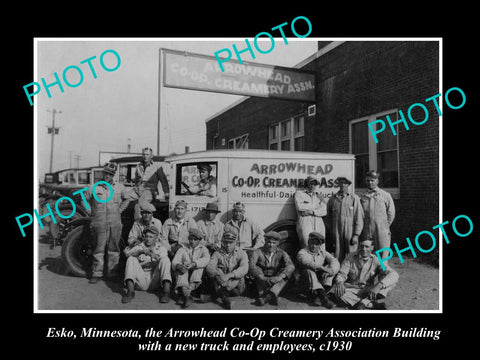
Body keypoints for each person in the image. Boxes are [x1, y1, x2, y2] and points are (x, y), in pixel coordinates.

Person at [88, 162, 130, 284]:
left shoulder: (120, 187)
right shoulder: (94, 187)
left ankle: (112, 272)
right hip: (99, 221)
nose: (108, 176)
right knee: (98, 248)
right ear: (103, 173)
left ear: (114, 175)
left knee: (114, 248)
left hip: (115, 221)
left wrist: (120, 210)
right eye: (106, 173)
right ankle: (97, 273)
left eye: (111, 174)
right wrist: (91, 212)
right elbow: (83, 200)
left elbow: (127, 199)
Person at [331, 237, 399, 310]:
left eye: (367, 247)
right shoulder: (350, 257)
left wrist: (379, 285)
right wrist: (340, 282)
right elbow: (342, 273)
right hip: (352, 289)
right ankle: (369, 304)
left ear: (372, 248)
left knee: (391, 283)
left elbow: (394, 274)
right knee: (338, 293)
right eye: (362, 246)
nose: (364, 249)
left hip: (369, 290)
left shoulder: (376, 259)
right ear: (358, 246)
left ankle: (361, 303)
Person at [121, 226, 172, 304]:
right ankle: (130, 292)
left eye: (151, 237)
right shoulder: (139, 246)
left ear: (156, 238)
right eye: (147, 236)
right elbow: (127, 254)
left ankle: (166, 293)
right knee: (131, 259)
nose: (148, 239)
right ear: (144, 237)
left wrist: (153, 255)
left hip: (154, 279)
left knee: (165, 259)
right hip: (141, 279)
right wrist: (140, 252)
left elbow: (164, 263)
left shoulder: (161, 248)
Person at [249, 231, 295, 306]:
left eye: (274, 243)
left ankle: (267, 297)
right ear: (265, 241)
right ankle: (272, 295)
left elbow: (291, 266)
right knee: (257, 270)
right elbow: (251, 265)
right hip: (262, 280)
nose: (271, 245)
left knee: (285, 277)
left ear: (278, 244)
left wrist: (279, 277)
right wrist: (261, 277)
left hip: (275, 280)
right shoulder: (258, 252)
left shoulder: (282, 253)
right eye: (269, 242)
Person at [205, 232, 249, 310]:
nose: (228, 245)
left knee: (239, 273)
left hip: (236, 288)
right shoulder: (217, 253)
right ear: (222, 242)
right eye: (225, 242)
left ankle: (215, 296)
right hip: (221, 282)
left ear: (235, 242)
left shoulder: (241, 253)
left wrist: (229, 275)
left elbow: (244, 267)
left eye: (231, 243)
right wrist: (219, 276)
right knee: (217, 270)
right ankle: (224, 298)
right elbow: (210, 267)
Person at [326, 176, 364, 262]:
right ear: (338, 184)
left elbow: (359, 217)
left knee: (352, 254)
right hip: (337, 233)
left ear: (348, 185)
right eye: (341, 183)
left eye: (345, 183)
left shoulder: (354, 198)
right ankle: (339, 273)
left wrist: (356, 235)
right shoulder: (333, 199)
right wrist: (332, 232)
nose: (343, 185)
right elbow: (328, 218)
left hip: (350, 232)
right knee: (338, 255)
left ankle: (353, 274)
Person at [296, 232, 339, 308]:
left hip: (319, 281)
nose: (313, 246)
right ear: (308, 242)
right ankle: (324, 299)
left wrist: (331, 271)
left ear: (320, 245)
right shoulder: (302, 252)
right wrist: (323, 268)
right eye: (311, 243)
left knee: (330, 267)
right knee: (309, 271)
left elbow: (335, 261)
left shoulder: (323, 252)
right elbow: (307, 262)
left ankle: (319, 296)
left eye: (316, 244)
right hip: (306, 283)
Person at [360, 170, 395, 261]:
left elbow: (391, 213)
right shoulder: (362, 196)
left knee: (383, 255)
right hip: (367, 230)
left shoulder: (385, 195)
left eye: (372, 180)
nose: (370, 183)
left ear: (377, 181)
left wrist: (385, 226)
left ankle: (383, 273)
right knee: (367, 254)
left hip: (381, 230)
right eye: (368, 180)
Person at [171, 228, 211, 308]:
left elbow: (206, 259)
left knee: (199, 268)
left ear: (199, 240)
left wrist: (194, 264)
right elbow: (175, 261)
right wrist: (179, 266)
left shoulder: (203, 249)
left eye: (195, 240)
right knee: (180, 271)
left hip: (197, 278)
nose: (192, 242)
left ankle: (186, 294)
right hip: (186, 274)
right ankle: (187, 296)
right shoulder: (183, 248)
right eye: (190, 239)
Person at [128, 147, 170, 220]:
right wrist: (135, 190)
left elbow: (164, 181)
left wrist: (167, 193)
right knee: (125, 196)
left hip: (150, 191)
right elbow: (136, 180)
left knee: (139, 205)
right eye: (143, 154)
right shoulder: (139, 166)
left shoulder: (157, 167)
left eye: (147, 154)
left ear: (151, 156)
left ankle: (138, 224)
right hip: (139, 190)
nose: (145, 156)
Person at [294, 176, 328, 249]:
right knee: (306, 245)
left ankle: (320, 260)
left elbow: (324, 211)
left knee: (321, 246)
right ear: (307, 184)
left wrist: (311, 212)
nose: (312, 186)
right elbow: (300, 207)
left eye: (314, 184)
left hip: (319, 223)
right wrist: (317, 205)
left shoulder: (318, 196)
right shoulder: (299, 194)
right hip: (306, 222)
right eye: (311, 183)